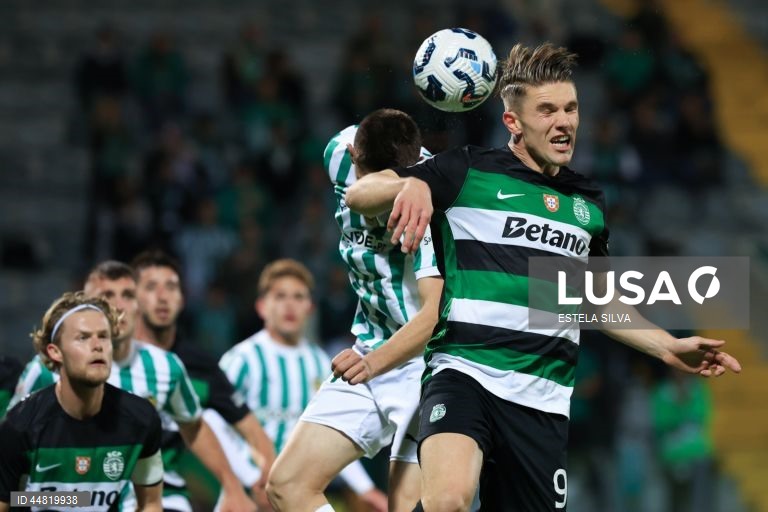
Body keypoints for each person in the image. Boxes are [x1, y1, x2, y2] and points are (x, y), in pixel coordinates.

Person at [344, 42, 742, 511]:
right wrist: (407, 181)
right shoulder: (469, 170)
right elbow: (359, 195)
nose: (565, 121)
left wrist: (666, 345)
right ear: (513, 122)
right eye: (548, 110)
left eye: (571, 108)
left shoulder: (588, 203)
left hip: (543, 399)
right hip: (466, 373)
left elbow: (592, 300)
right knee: (449, 499)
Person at [266, 109, 443, 512]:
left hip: (425, 363)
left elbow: (435, 317)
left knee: (407, 506)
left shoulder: (437, 196)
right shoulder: (338, 154)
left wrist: (373, 364)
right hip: (369, 351)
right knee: (287, 485)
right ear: (352, 155)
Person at [9, 260, 268, 512]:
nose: (118, 304)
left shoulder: (164, 368)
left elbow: (195, 426)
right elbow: (10, 451)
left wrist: (232, 487)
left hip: (159, 492)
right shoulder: (41, 374)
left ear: (138, 305)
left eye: (128, 295)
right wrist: (52, 501)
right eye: (107, 294)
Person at [215, 259, 388, 512]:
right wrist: (247, 478)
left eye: (298, 297)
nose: (290, 305)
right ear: (262, 306)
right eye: (280, 296)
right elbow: (213, 423)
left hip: (291, 498)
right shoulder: (242, 359)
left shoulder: (319, 362)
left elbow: (336, 431)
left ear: (310, 307)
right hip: (246, 497)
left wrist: (365, 489)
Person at [131, 249, 274, 510]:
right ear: (133, 298)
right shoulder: (107, 359)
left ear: (183, 299)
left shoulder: (197, 365)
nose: (162, 297)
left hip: (167, 496)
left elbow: (250, 428)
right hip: (94, 494)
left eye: (171, 287)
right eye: (151, 287)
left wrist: (266, 479)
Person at [0, 292, 163, 511]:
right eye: (83, 337)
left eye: (104, 336)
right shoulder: (20, 426)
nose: (98, 346)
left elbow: (151, 504)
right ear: (55, 352)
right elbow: (9, 501)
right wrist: (69, 499)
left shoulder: (141, 419)